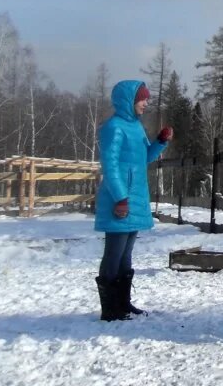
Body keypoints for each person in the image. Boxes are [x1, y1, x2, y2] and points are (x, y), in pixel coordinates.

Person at [94, 80, 173, 321]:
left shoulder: (136, 127)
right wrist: (120, 198)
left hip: (135, 197)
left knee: (126, 253)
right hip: (121, 200)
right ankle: (110, 309)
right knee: (114, 253)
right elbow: (110, 165)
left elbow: (144, 158)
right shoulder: (114, 128)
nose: (146, 103)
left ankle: (123, 304)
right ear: (129, 101)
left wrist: (160, 142)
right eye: (142, 99)